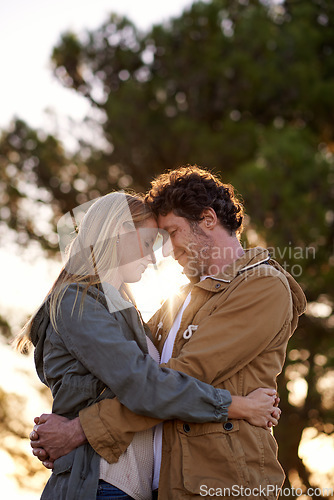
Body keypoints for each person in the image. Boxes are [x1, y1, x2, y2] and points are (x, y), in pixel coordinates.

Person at [18, 190, 280, 500]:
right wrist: (237, 406)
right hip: (100, 483)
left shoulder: (125, 312)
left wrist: (75, 429)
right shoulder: (77, 301)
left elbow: (160, 379)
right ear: (119, 232)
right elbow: (146, 386)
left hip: (133, 488)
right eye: (147, 244)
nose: (155, 257)